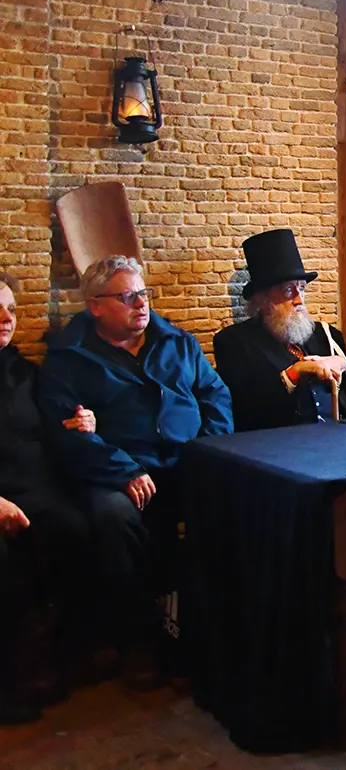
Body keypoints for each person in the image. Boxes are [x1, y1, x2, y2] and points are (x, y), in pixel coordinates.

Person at [37, 256, 233, 687]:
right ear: (95, 306)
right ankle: (136, 640)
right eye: (127, 297)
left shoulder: (177, 342)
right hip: (117, 471)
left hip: (186, 461)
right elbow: (66, 434)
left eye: (143, 294)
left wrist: (209, 449)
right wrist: (122, 470)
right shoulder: (68, 359)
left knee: (241, 497)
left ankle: (218, 631)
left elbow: (215, 395)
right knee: (114, 518)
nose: (141, 304)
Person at [0, 273, 91, 721]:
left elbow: (55, 426)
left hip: (36, 492)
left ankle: (52, 658)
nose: (5, 319)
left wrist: (82, 423)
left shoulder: (25, 373)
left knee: (76, 530)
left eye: (11, 310)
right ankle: (9, 682)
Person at [213, 229, 346, 430]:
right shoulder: (234, 343)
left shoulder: (326, 334)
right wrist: (294, 373)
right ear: (262, 300)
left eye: (301, 288)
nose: (299, 300)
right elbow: (245, 410)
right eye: (288, 290)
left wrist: (343, 364)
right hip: (281, 443)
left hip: (340, 436)